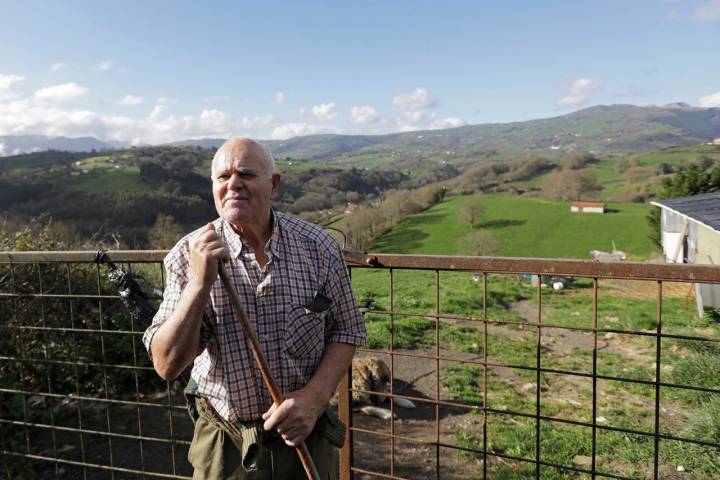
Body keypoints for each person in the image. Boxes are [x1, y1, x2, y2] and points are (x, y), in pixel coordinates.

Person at [142, 138, 367, 479]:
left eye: (246, 173)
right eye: (223, 177)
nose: (234, 184)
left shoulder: (317, 247)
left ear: (274, 184)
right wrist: (200, 284)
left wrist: (313, 400)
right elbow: (167, 365)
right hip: (227, 446)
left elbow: (346, 330)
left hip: (306, 439)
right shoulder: (186, 256)